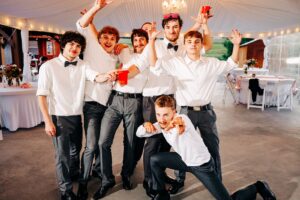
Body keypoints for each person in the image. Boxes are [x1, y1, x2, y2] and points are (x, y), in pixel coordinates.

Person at [149, 28, 242, 190]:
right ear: (184, 45)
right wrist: (151, 42)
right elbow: (155, 66)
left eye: (197, 42)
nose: (193, 45)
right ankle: (179, 180)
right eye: (189, 42)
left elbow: (231, 64)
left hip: (207, 112)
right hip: (185, 113)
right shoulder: (177, 63)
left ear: (201, 45)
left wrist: (236, 45)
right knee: (182, 147)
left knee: (213, 147)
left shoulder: (211, 63)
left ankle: (217, 180)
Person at [136, 95, 276, 200]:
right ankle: (161, 194)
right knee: (155, 159)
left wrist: (170, 126)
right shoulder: (161, 124)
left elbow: (180, 127)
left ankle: (258, 186)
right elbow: (139, 133)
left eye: (166, 114)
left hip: (201, 165)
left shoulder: (182, 119)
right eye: (159, 114)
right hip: (184, 160)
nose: (162, 118)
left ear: (174, 112)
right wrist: (145, 126)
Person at [134, 11, 213, 195]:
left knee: (167, 141)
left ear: (180, 29)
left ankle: (159, 175)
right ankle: (150, 182)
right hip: (153, 97)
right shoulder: (154, 44)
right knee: (153, 141)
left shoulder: (184, 44)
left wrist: (202, 25)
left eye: (176, 27)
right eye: (168, 27)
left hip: (171, 98)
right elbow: (137, 65)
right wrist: (118, 76)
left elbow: (205, 44)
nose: (172, 30)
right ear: (163, 29)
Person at [37, 31, 116, 200]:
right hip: (58, 118)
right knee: (62, 156)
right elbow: (41, 95)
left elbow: (96, 77)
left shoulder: (83, 64)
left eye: (78, 45)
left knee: (75, 151)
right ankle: (65, 191)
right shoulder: (48, 66)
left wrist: (107, 75)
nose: (75, 48)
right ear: (63, 45)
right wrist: (47, 122)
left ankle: (72, 175)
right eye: (71, 44)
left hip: (76, 117)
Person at [76, 1, 131, 199]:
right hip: (91, 105)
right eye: (105, 37)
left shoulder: (115, 55)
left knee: (102, 143)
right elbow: (81, 25)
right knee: (90, 146)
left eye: (113, 38)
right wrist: (95, 9)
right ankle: (83, 182)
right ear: (98, 39)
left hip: (109, 105)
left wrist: (124, 45)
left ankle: (99, 171)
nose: (108, 41)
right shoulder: (92, 47)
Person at [95, 28, 149, 199]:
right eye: (136, 40)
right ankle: (106, 179)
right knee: (103, 141)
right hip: (115, 100)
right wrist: (119, 44)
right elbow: (104, 43)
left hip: (135, 102)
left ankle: (126, 174)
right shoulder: (125, 52)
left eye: (142, 40)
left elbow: (133, 71)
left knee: (131, 142)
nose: (138, 43)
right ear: (132, 41)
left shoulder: (149, 57)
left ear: (148, 42)